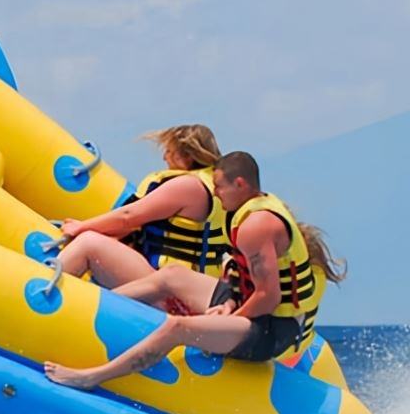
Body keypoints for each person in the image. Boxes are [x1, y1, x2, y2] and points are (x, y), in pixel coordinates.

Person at [44, 151, 346, 389]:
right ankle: (84, 308)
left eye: (219, 186)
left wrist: (228, 317)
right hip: (247, 307)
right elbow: (245, 279)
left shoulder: (257, 225)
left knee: (178, 327)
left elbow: (268, 297)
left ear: (240, 185)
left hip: (270, 330)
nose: (216, 193)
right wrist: (229, 302)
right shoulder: (248, 210)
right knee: (171, 276)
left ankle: (92, 377)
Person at [58, 124, 228, 291]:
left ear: (187, 156)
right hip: (196, 290)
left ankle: (45, 291)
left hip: (171, 290)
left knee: (88, 242)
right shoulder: (218, 191)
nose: (165, 158)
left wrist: (80, 227)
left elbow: (128, 216)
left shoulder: (188, 186)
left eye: (169, 151)